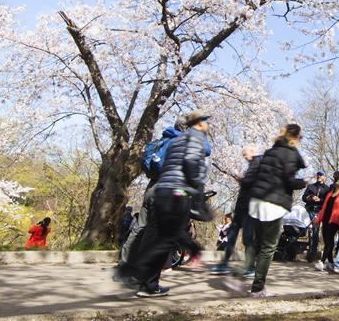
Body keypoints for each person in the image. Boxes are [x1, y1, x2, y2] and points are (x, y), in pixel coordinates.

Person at [118, 109, 211, 297]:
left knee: (154, 235)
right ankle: (133, 272)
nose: (207, 125)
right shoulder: (192, 139)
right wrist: (198, 196)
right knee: (166, 238)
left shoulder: (172, 141)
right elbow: (194, 164)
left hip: (159, 191)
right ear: (197, 124)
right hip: (178, 192)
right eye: (204, 122)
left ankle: (146, 282)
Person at [246, 123, 307, 297]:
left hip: (256, 201)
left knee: (257, 243)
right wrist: (303, 182)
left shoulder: (270, 151)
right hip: (272, 204)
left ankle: (246, 271)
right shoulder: (290, 153)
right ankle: (257, 287)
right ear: (295, 137)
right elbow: (288, 180)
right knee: (268, 247)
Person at [211, 145, 262, 276]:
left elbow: (251, 182)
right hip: (241, 207)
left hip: (250, 208)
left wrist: (241, 179)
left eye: (245, 154)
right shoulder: (252, 164)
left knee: (248, 238)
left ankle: (251, 267)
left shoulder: (258, 163)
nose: (244, 156)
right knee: (231, 235)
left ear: (252, 152)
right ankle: (224, 264)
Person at [313, 171, 339, 271]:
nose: (338, 181)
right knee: (328, 241)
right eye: (337, 180)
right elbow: (324, 207)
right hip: (326, 219)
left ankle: (322, 262)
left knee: (329, 240)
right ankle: (331, 263)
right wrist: (318, 218)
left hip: (335, 220)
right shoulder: (330, 193)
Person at [302, 171, 330, 263]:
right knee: (308, 230)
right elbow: (303, 197)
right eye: (318, 175)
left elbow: (328, 201)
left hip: (320, 211)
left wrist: (320, 200)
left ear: (324, 177)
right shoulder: (311, 186)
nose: (319, 176)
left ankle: (313, 253)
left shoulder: (327, 189)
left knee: (315, 231)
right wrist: (309, 198)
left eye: (321, 175)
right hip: (309, 210)